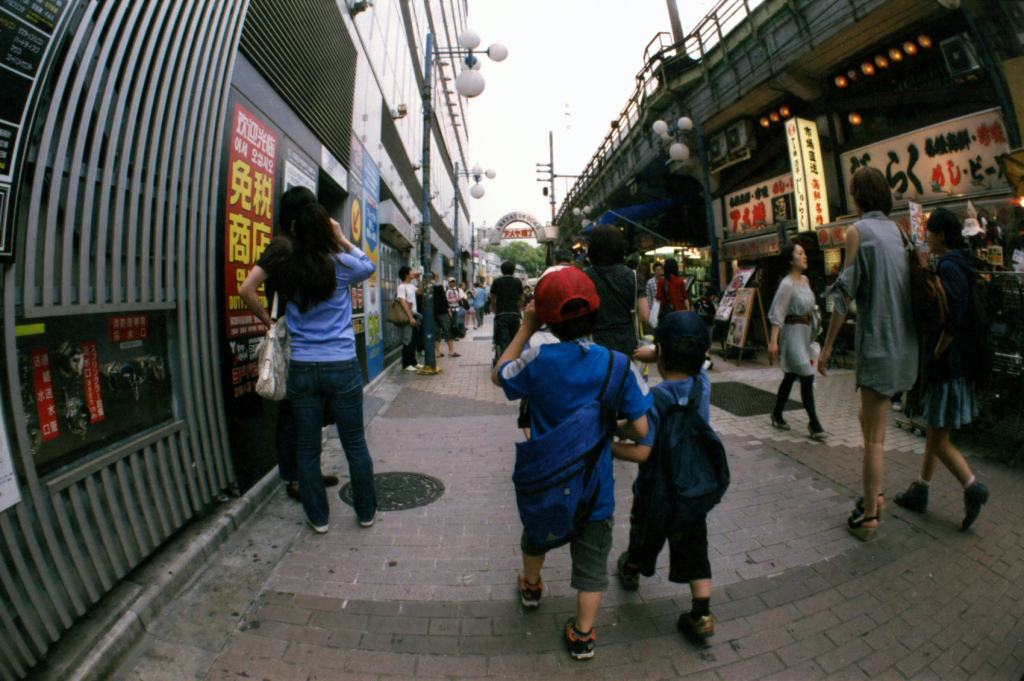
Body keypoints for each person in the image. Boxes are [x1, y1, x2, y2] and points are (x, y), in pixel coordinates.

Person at [492, 266, 651, 661]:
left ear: (546, 318)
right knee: (593, 562)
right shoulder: (618, 365)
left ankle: (531, 588)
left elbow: (499, 375)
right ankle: (583, 635)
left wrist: (527, 326)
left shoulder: (538, 359)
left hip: (546, 481)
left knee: (536, 533)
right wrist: (601, 432)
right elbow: (641, 427)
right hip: (595, 490)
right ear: (596, 312)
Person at [239, 203, 377, 532]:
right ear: (325, 232)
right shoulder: (340, 264)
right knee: (354, 443)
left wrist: (268, 321)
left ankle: (318, 517)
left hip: (302, 365)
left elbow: (249, 287)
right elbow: (368, 265)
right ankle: (366, 511)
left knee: (307, 447)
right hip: (341, 364)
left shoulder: (286, 268)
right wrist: (342, 239)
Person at [818, 167, 918, 541]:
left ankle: (870, 516)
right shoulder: (899, 232)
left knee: (874, 438)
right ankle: (874, 493)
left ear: (858, 196)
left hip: (878, 346)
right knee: (866, 416)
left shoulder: (856, 232)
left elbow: (843, 297)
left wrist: (827, 347)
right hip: (906, 347)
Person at [614, 311, 716, 642]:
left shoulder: (654, 398)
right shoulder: (703, 384)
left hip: (656, 488)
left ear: (662, 354)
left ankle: (632, 570)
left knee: (645, 533)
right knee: (695, 548)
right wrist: (663, 349)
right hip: (693, 487)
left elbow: (641, 446)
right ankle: (701, 614)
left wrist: (611, 440)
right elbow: (690, 357)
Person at [892, 208, 990, 529]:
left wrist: (936, 351)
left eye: (930, 233)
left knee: (939, 437)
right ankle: (921, 490)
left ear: (941, 236)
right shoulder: (961, 261)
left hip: (947, 365)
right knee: (935, 431)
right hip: (956, 363)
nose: (927, 238)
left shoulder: (949, 265)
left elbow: (955, 314)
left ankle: (972, 486)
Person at [246, 186, 338, 501]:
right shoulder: (282, 246)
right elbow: (248, 288)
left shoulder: (298, 246)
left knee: (307, 410)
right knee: (293, 412)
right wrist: (269, 323)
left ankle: (308, 471)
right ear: (298, 216)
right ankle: (295, 478)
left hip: (305, 343)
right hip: (291, 341)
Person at [768, 243, 825, 440]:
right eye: (800, 253)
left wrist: (812, 331)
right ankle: (814, 423)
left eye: (805, 252)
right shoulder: (786, 284)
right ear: (791, 260)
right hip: (791, 335)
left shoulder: (806, 280)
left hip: (804, 334)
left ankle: (776, 413)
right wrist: (773, 342)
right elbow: (778, 314)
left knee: (791, 376)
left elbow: (811, 309)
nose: (804, 256)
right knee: (806, 375)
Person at [584, 225, 649, 356]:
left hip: (595, 346)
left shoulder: (584, 277)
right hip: (626, 346)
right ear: (620, 248)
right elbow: (644, 315)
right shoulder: (633, 276)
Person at [491, 261, 524, 357]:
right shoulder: (517, 281)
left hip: (501, 314)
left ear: (502, 270)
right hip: (514, 314)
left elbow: (492, 298)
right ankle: (515, 359)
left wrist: (495, 309)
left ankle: (504, 362)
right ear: (514, 271)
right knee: (515, 340)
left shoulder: (496, 281)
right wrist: (519, 309)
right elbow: (522, 298)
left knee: (503, 340)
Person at [396, 266, 422, 372]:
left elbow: (421, 291)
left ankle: (413, 362)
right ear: (406, 274)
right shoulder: (402, 287)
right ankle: (406, 364)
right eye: (411, 272)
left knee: (414, 339)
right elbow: (402, 302)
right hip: (408, 315)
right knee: (408, 339)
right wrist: (410, 317)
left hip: (414, 313)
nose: (412, 273)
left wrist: (418, 279)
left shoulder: (410, 285)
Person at [427, 273, 458, 358]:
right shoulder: (438, 287)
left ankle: (438, 352)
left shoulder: (425, 288)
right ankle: (451, 351)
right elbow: (444, 300)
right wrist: (449, 311)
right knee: (447, 330)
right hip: (442, 312)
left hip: (431, 313)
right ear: (435, 278)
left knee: (436, 331)